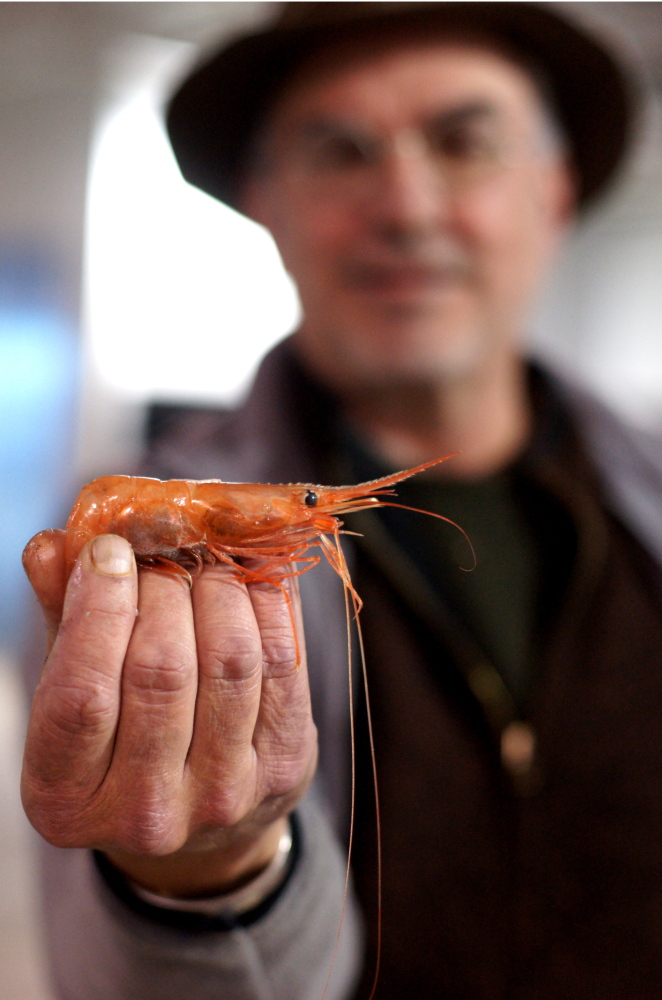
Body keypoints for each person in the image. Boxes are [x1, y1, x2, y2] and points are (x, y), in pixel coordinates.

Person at [21, 3, 662, 998]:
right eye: (339, 150)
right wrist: (205, 874)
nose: (404, 204)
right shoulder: (114, 556)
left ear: (554, 188)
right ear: (262, 201)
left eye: (463, 142)